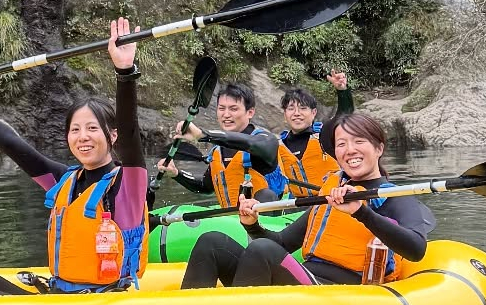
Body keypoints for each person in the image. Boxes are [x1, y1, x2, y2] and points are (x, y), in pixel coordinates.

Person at [0, 19, 147, 298]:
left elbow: (129, 131)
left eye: (92, 128)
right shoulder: (62, 181)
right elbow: (9, 142)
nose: (82, 136)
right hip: (59, 300)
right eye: (75, 130)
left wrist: (124, 73)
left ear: (112, 137)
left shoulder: (129, 185)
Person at [179, 111, 433, 290]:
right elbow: (283, 242)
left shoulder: (392, 197)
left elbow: (416, 250)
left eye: (359, 141)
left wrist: (361, 213)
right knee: (212, 242)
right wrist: (252, 224)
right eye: (341, 144)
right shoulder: (333, 190)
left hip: (343, 290)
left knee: (262, 250)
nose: (349, 150)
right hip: (309, 277)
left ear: (378, 148)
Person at [154, 81, 280, 207]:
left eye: (233, 109)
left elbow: (250, 143)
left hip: (267, 220)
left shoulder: (266, 140)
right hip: (233, 220)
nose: (226, 115)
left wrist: (203, 135)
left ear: (250, 112)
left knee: (266, 195)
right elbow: (205, 187)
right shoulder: (217, 151)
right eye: (221, 108)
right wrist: (176, 173)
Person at [266, 69, 354, 195]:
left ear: (313, 113)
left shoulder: (325, 134)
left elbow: (345, 114)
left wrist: (342, 90)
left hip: (332, 199)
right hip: (297, 205)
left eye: (303, 108)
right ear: (285, 115)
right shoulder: (279, 146)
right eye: (291, 109)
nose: (297, 113)